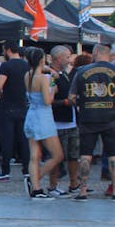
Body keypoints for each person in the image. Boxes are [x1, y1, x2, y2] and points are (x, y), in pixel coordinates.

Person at [69, 44, 115, 201]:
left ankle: (82, 191)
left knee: (86, 155)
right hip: (111, 118)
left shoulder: (81, 71)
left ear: (95, 54)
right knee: (113, 155)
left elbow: (72, 97)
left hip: (88, 118)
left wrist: (81, 107)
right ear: (108, 54)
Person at [21, 47, 62, 199]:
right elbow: (47, 100)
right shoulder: (43, 79)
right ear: (42, 60)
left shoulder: (28, 75)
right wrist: (53, 88)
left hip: (31, 116)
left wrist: (48, 70)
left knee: (34, 155)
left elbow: (38, 68)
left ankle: (36, 189)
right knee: (57, 155)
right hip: (43, 118)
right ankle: (34, 180)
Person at [0, 42, 30, 182]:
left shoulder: (6, 66)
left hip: (8, 107)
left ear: (7, 50)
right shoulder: (26, 65)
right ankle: (27, 170)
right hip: (23, 106)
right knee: (23, 140)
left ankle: (5, 171)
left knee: (7, 139)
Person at [46, 45, 81, 196]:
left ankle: (74, 183)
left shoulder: (66, 74)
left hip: (71, 120)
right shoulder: (50, 75)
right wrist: (66, 102)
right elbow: (48, 99)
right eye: (67, 57)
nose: (70, 59)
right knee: (57, 156)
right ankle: (53, 186)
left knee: (74, 155)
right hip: (57, 121)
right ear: (59, 58)